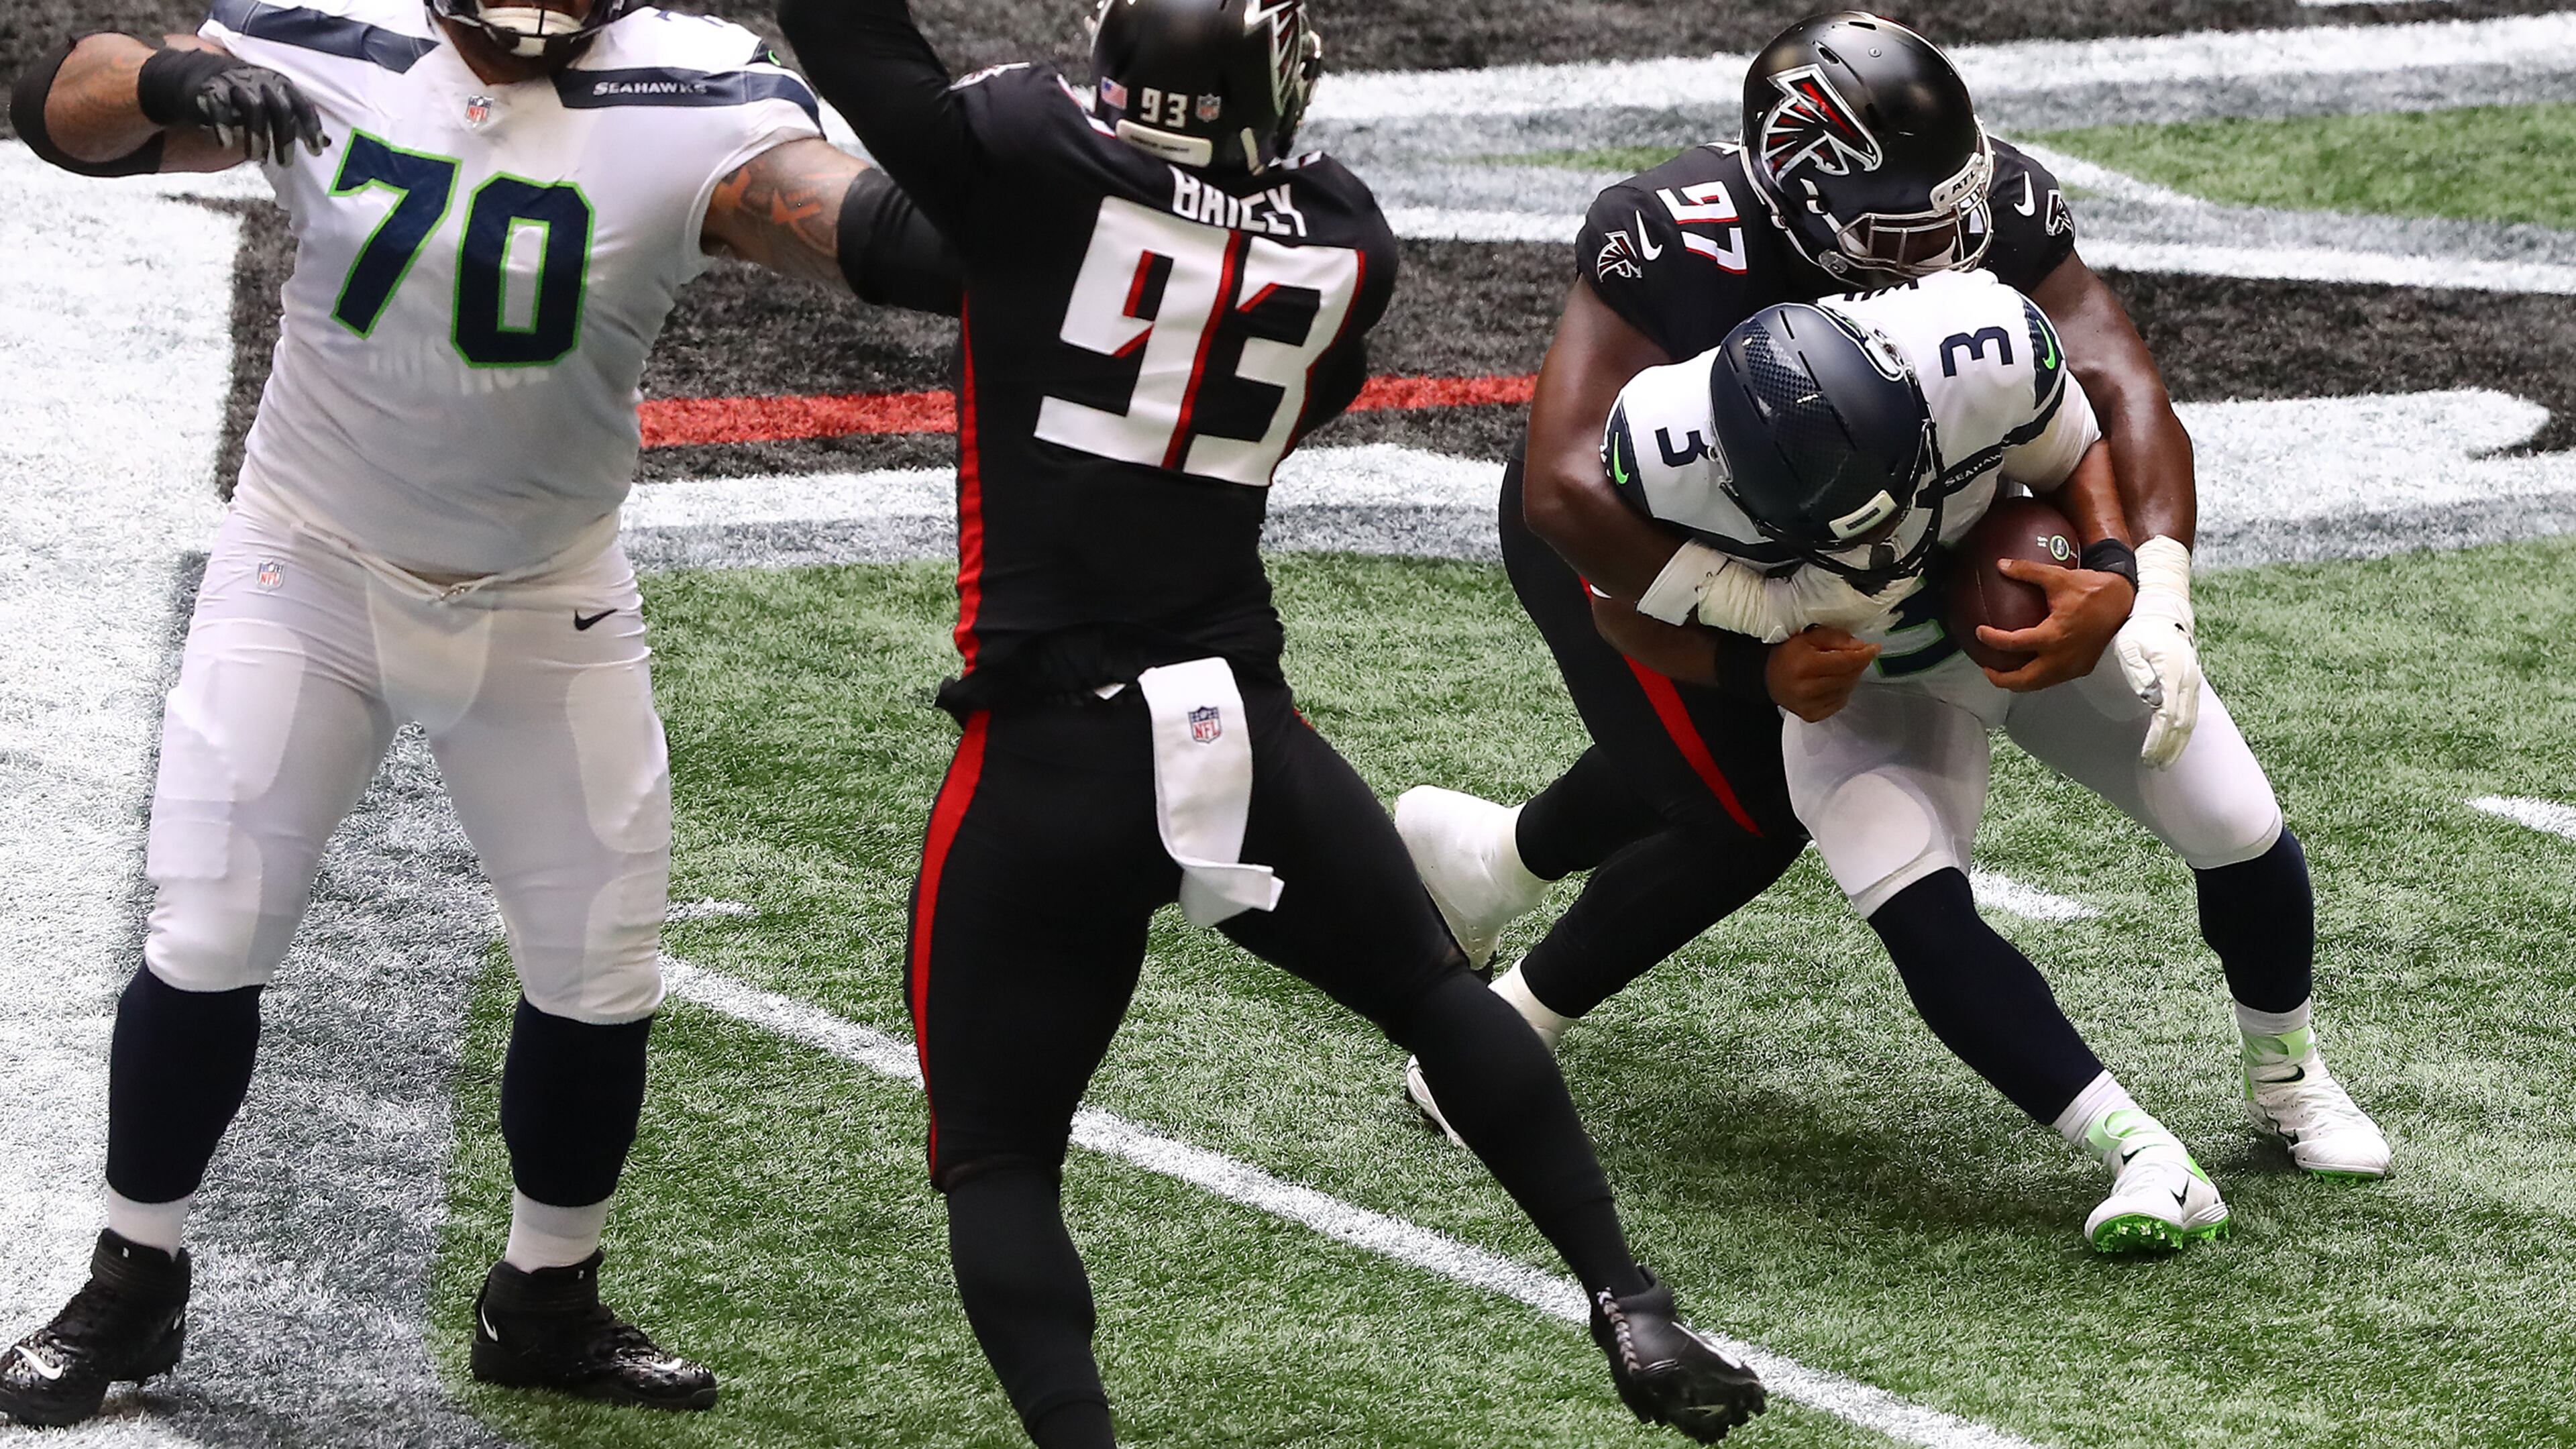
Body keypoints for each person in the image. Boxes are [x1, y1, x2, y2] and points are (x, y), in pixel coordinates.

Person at [773, 0, 1766, 1443]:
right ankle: (1628, 1297)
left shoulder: (1034, 159)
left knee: (997, 1156)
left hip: (1047, 746)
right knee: (1438, 996)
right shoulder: (1346, 239)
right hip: (1236, 730)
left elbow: (852, 44)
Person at [0, 0, 959, 1426]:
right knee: (209, 927)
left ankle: (544, 1300)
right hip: (307, 566)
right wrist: (164, 78)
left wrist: (1029, 196)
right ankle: (131, 1279)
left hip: (545, 590)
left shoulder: (695, 88)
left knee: (599, 965)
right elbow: (56, 109)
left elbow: (872, 236)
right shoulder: (332, 34)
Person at [1393, 11, 2388, 1207]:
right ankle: (1495, 1036)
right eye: (1906, 233)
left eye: (1954, 214)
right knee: (1738, 809)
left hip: (1933, 560)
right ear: (1799, 202)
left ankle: (1492, 863)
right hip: (1669, 542)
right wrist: (1750, 632)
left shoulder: (1976, 320)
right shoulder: (1674, 327)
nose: (1948, 252)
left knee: (2225, 812)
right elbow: (1571, 500)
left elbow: (2109, 392)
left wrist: (2139, 580)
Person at [1585, 266, 2380, 1247]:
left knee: (2235, 820)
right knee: (1911, 902)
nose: (1883, 537)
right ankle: (2144, 1154)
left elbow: (2079, 446)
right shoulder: (1660, 455)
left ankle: (2289, 1076)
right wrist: (1756, 671)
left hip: (2033, 618)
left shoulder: (1979, 348)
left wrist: (2112, 572)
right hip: (1873, 682)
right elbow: (1617, 605)